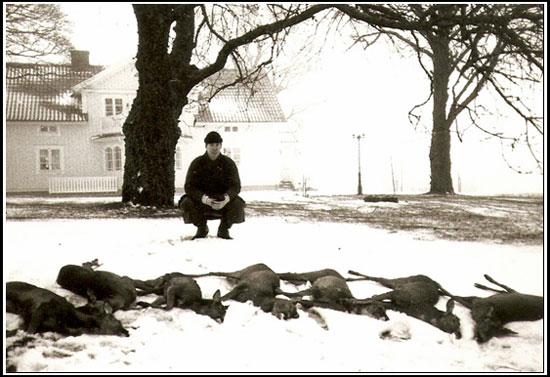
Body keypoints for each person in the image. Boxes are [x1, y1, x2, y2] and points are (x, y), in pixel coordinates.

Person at [179, 131, 246, 240]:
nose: (214, 148)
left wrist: (226, 198)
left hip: (223, 201)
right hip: (203, 201)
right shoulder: (197, 163)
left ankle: (224, 228)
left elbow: (236, 186)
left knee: (238, 203)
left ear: (220, 146)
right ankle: (201, 227)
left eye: (217, 145)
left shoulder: (229, 163)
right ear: (206, 146)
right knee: (186, 202)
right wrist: (204, 199)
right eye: (211, 145)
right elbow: (189, 187)